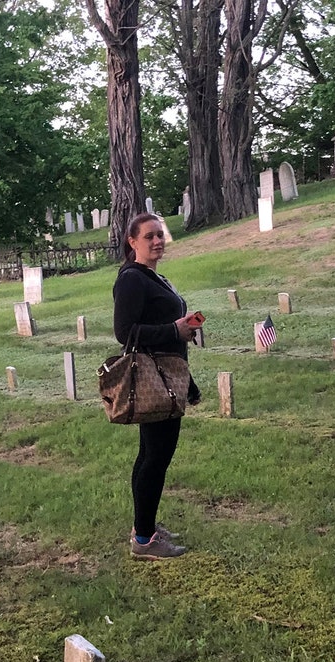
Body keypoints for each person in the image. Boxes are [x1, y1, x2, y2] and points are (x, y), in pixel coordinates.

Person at [113, 212, 201, 560]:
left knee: (150, 454)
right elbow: (125, 332)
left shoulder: (154, 277)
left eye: (160, 235)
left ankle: (143, 526)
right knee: (156, 458)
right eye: (148, 236)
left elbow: (162, 326)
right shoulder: (132, 279)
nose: (156, 241)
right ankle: (145, 541)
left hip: (168, 373)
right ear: (132, 241)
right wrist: (174, 330)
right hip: (153, 377)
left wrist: (181, 331)